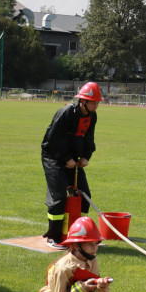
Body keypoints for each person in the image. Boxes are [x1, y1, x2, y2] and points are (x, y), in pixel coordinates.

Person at [40, 81, 102, 249]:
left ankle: (81, 234)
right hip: (54, 157)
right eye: (93, 102)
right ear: (83, 101)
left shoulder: (92, 116)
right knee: (59, 197)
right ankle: (54, 237)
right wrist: (66, 158)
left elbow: (89, 138)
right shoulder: (66, 112)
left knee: (84, 195)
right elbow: (52, 139)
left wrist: (86, 156)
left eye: (97, 102)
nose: (96, 105)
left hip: (73, 160)